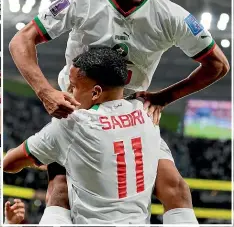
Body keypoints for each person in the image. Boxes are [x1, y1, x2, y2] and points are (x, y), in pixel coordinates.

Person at [9, 0, 229, 224]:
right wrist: (45, 92)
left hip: (131, 112)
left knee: (175, 188)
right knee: (60, 187)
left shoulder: (170, 16)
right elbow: (21, 40)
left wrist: (164, 97)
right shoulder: (82, 1)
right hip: (80, 109)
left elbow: (218, 64)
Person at [4, 47, 161, 224]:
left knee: (58, 174)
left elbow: (10, 163)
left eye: (73, 87)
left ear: (96, 92)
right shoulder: (147, 111)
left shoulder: (74, 124)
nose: (68, 92)